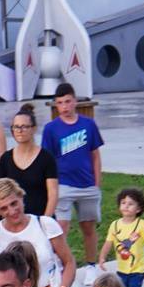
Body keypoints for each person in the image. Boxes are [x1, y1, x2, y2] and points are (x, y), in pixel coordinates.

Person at [44, 82, 106, 266]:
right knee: (61, 227)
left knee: (88, 227)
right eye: (60, 103)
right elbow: (48, 159)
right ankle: (62, 264)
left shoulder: (88, 125)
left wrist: (97, 182)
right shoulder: (51, 129)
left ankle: (91, 264)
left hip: (87, 184)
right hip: (63, 185)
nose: (64, 107)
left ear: (75, 102)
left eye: (67, 102)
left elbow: (95, 154)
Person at [0, 103, 59, 218]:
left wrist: (45, 221)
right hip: (13, 222)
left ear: (33, 128)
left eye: (24, 126)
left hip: (39, 219)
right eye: (16, 127)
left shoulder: (46, 158)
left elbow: (53, 194)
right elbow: (0, 195)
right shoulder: (5, 159)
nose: (20, 130)